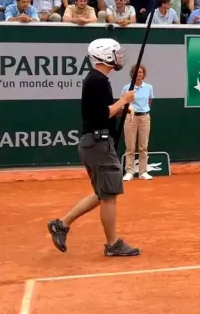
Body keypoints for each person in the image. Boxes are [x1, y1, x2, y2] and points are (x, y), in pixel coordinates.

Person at [47, 39, 140, 257]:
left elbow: (101, 111)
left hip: (96, 142)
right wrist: (124, 100)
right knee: (109, 195)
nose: (119, 57)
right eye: (116, 53)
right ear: (106, 56)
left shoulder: (99, 80)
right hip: (97, 143)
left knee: (102, 193)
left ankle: (61, 224)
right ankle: (113, 244)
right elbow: (101, 114)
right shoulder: (97, 80)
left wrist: (122, 108)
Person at [123, 65, 154, 181]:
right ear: (133, 74)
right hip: (130, 118)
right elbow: (125, 103)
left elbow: (150, 101)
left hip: (145, 118)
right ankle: (129, 172)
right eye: (137, 72)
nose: (139, 74)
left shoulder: (149, 87)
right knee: (130, 147)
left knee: (143, 147)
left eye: (141, 72)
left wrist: (143, 111)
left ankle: (143, 172)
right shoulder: (127, 88)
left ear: (143, 74)